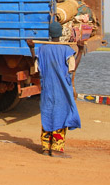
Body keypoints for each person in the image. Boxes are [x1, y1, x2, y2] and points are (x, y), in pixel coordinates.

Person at [27, 21, 84, 158]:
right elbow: (72, 68)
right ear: (60, 33)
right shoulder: (66, 50)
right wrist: (81, 51)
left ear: (49, 33)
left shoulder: (41, 50)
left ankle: (46, 147)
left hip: (47, 89)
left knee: (48, 114)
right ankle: (57, 149)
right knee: (60, 115)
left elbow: (36, 70)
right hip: (61, 90)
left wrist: (32, 49)